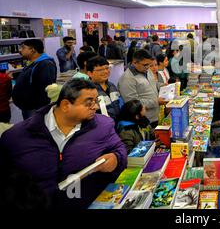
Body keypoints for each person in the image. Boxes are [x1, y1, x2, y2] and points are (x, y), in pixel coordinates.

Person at [0, 79, 127, 209]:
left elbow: (119, 149)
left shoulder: (103, 125)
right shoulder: (16, 137)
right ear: (66, 105)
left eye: (97, 101)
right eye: (89, 103)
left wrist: (116, 159)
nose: (95, 107)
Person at [118, 49, 166, 129]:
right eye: (145, 65)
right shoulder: (127, 79)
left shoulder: (146, 70)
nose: (148, 67)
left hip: (156, 116)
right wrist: (156, 102)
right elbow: (133, 104)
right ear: (135, 62)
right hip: (145, 121)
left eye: (149, 65)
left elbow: (152, 84)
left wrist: (163, 86)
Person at [12, 39, 57, 120]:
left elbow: (45, 90)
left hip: (35, 109)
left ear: (32, 50)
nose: (20, 50)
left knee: (34, 130)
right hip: (27, 106)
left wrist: (41, 112)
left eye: (23, 48)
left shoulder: (46, 64)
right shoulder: (32, 62)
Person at [87, 56, 122, 122]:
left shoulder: (112, 86)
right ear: (90, 73)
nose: (106, 71)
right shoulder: (88, 91)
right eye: (100, 70)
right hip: (102, 127)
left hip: (117, 126)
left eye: (107, 68)